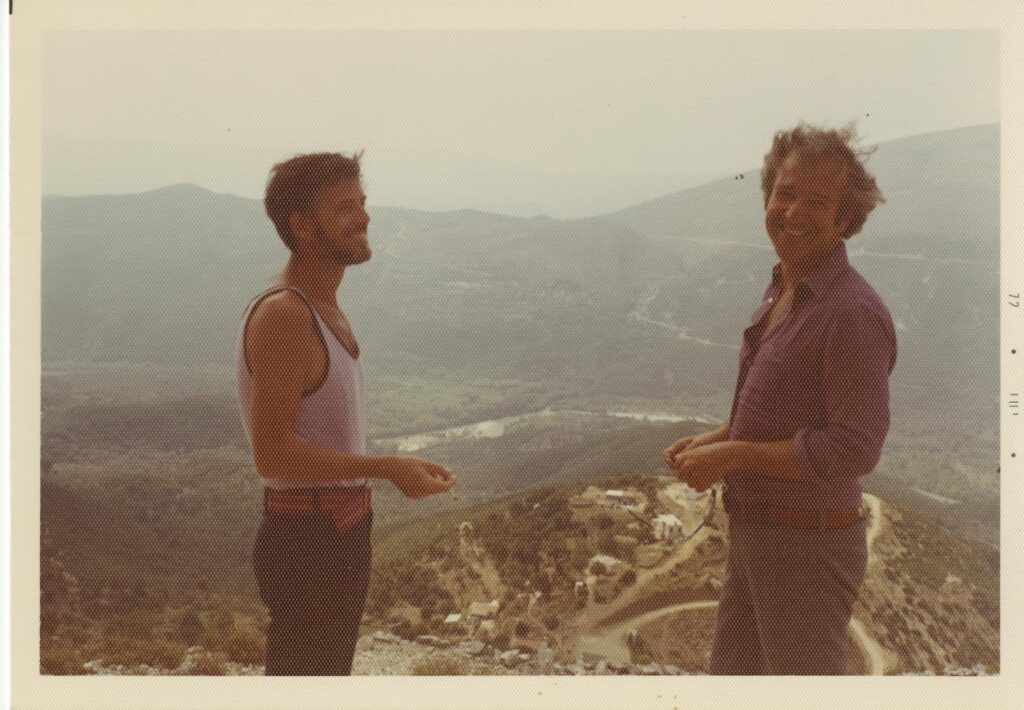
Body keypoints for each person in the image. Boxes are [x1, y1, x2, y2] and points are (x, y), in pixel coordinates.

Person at [662, 124, 896, 675]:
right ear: (766, 195)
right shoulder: (785, 288)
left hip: (805, 550)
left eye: (817, 201)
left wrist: (732, 457)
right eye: (785, 193)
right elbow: (783, 410)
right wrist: (720, 437)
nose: (793, 212)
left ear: (846, 219)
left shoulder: (849, 312)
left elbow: (854, 448)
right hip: (760, 535)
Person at [236, 152, 455, 675]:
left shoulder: (320, 303)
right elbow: (272, 455)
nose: (363, 217)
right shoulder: (286, 315)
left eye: (362, 202)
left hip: (335, 528)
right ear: (303, 227)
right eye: (344, 208)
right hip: (309, 537)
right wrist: (387, 467)